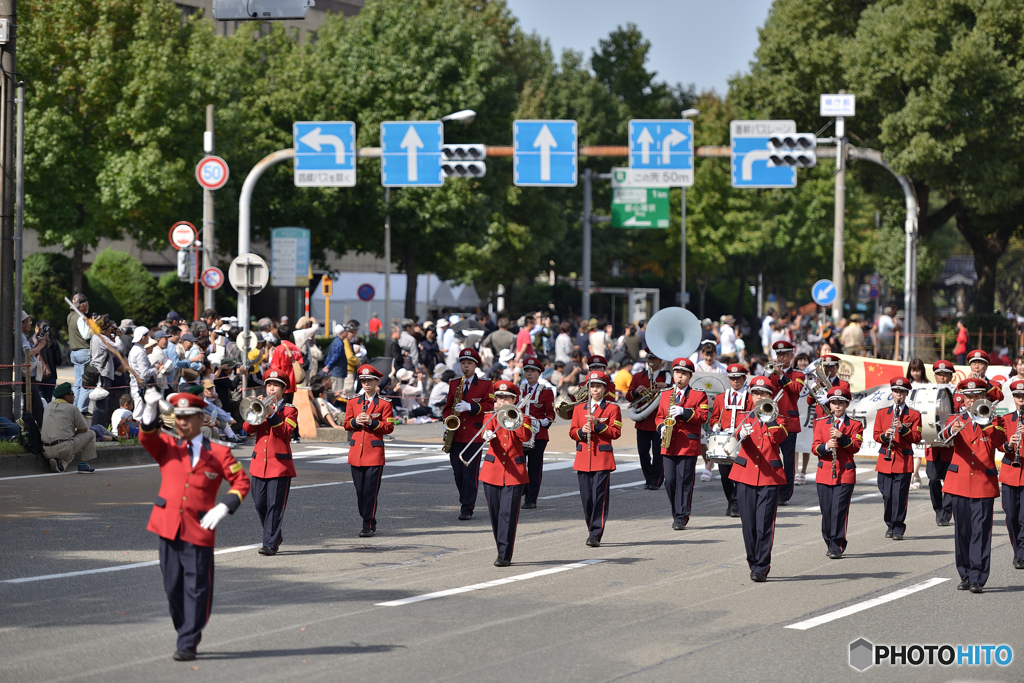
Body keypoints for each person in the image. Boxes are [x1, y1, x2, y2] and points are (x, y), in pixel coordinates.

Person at [137, 388, 250, 661]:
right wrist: (150, 410)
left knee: (197, 587)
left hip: (200, 529)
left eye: (188, 417)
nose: (182, 423)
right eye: (178, 417)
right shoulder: (168, 446)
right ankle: (185, 628)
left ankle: (188, 640)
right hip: (167, 526)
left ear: (202, 418)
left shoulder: (220, 453)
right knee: (172, 586)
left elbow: (241, 482)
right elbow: (146, 437)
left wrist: (225, 506)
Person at [943, 378, 1007, 593]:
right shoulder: (955, 418)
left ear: (983, 397)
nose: (972, 400)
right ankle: (965, 574)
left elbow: (1000, 442)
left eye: (976, 396)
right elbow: (940, 438)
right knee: (963, 532)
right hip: (959, 482)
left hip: (983, 483)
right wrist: (953, 428)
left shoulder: (995, 419)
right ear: (963, 399)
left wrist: (986, 422)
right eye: (969, 397)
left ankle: (978, 577)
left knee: (980, 532)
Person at [727, 375, 788, 582]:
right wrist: (740, 434)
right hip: (745, 476)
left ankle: (761, 566)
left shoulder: (778, 418)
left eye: (763, 394)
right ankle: (752, 561)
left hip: (769, 477)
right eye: (755, 393)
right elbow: (734, 438)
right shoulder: (745, 417)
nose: (758, 397)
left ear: (771, 397)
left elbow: (779, 437)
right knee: (748, 525)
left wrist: (768, 420)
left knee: (764, 524)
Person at [243, 370, 297, 556]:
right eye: (268, 385)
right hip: (259, 463)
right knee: (259, 503)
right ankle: (275, 535)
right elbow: (247, 429)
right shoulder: (261, 405)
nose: (271, 388)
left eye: (276, 385)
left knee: (275, 505)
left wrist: (272, 413)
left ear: (283, 389)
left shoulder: (290, 410)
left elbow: (285, 432)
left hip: (279, 465)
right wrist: (255, 409)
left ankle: (270, 543)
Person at [480, 380, 533, 566]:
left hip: (514, 473)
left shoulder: (524, 418)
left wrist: (514, 418)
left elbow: (525, 437)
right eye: (499, 398)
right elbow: (483, 434)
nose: (502, 401)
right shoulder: (489, 416)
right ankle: (501, 547)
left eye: (506, 398)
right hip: (491, 472)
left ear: (514, 399)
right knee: (495, 515)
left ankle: (504, 555)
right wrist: (485, 435)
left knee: (507, 514)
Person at [656, 358, 709, 530]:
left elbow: (702, 416)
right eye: (678, 373)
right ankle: (676, 512)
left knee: (685, 482)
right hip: (668, 444)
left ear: (690, 376)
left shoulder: (699, 395)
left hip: (687, 445)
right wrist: (662, 428)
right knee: (670, 481)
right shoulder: (665, 394)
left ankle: (681, 516)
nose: (680, 377)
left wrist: (684, 412)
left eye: (684, 374)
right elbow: (658, 417)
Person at [569, 371, 621, 547]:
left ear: (605, 389)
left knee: (599, 497)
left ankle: (595, 534)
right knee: (587, 499)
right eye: (592, 386)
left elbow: (616, 432)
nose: (595, 390)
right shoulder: (578, 408)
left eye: (599, 386)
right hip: (583, 458)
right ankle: (591, 528)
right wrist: (581, 432)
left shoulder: (613, 408)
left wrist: (598, 425)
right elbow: (572, 432)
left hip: (602, 458)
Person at [812, 387, 864, 559]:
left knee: (839, 510)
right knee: (826, 511)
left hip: (845, 474)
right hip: (825, 473)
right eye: (834, 403)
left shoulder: (855, 425)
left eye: (840, 403)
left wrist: (842, 437)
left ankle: (837, 544)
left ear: (846, 404)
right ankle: (829, 541)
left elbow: (855, 447)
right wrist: (826, 446)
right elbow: (815, 448)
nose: (837, 406)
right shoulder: (821, 423)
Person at [344, 364, 395, 537]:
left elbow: (389, 427)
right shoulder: (353, 402)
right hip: (356, 453)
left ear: (376, 381)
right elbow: (346, 424)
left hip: (374, 453)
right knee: (360, 491)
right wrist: (356, 421)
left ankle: (368, 523)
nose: (366, 384)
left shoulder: (384, 403)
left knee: (370, 491)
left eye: (369, 381)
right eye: (363, 381)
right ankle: (366, 516)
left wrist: (373, 422)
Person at [442, 348, 494, 520]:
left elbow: (489, 406)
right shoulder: (454, 383)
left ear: (475, 365)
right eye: (463, 363)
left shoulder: (486, 385)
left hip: (474, 435)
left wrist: (470, 407)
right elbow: (448, 407)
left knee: (470, 472)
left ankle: (467, 507)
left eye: (469, 363)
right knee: (458, 472)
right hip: (456, 435)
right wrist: (446, 421)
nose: (466, 366)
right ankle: (465, 500)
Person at [873, 377, 923, 540]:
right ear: (892, 393)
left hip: (903, 461)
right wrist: (884, 435)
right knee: (887, 495)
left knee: (899, 496)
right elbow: (875, 435)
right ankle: (890, 523)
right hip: (885, 461)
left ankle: (897, 527)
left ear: (906, 394)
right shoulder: (882, 413)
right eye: (896, 392)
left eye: (901, 392)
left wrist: (902, 430)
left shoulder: (914, 415)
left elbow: (916, 437)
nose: (898, 395)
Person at [710, 363, 751, 517]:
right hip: (725, 443)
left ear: (744, 378)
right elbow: (714, 417)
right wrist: (715, 425)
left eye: (738, 378)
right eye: (732, 378)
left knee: (740, 474)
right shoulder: (721, 398)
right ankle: (732, 502)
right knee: (725, 475)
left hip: (743, 441)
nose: (735, 381)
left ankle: (736, 505)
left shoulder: (750, 398)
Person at [627, 349, 670, 490]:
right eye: (649, 358)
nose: (651, 361)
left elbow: (677, 393)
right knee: (643, 452)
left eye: (654, 359)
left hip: (659, 420)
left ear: (660, 361)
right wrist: (635, 392)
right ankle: (648, 477)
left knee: (658, 453)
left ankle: (656, 481)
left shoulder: (667, 377)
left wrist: (667, 387)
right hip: (643, 420)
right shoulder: (638, 376)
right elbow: (628, 396)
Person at [768, 341, 805, 506]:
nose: (781, 358)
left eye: (784, 355)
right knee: (771, 457)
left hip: (789, 422)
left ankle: (785, 494)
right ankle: (772, 489)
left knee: (788, 460)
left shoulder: (799, 374)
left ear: (792, 356)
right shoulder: (771, 373)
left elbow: (796, 389)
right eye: (778, 355)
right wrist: (769, 374)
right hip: (772, 420)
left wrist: (781, 375)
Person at [519, 358, 555, 508]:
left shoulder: (546, 392)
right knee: (519, 466)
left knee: (534, 467)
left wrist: (545, 421)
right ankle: (522, 489)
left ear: (539, 373)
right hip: (520, 433)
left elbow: (551, 414)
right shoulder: (518, 390)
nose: (529, 374)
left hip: (538, 435)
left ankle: (531, 499)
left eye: (533, 371)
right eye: (527, 371)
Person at [41, 382, 98, 473]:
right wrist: (74, 434)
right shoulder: (72, 408)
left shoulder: (48, 406)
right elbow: (84, 429)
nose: (74, 397)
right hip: (63, 448)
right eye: (73, 394)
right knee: (91, 434)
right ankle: (83, 465)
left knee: (69, 447)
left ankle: (60, 465)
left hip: (45, 450)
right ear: (66, 397)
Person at [998, 379, 1024, 570]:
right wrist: (1008, 444)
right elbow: (999, 444)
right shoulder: (1006, 419)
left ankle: (1021, 554)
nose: (1020, 399)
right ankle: (1018, 550)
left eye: (1023, 396)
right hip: (1009, 472)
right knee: (1012, 516)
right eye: (1017, 396)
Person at [926, 360, 956, 526]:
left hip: (951, 447)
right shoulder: (927, 393)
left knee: (950, 481)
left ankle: (945, 513)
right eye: (939, 375)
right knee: (933, 480)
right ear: (935, 376)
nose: (942, 378)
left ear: (951, 377)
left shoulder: (957, 394)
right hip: (934, 447)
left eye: (945, 375)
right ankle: (938, 508)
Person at [67, 293, 93, 409]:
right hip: (84, 351)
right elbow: (86, 335)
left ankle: (75, 408)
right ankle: (81, 410)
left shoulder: (70, 316)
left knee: (77, 383)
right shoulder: (81, 317)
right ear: (82, 305)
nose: (87, 307)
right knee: (86, 384)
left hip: (74, 353)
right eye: (87, 304)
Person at [907, 358, 929, 491]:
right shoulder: (906, 384)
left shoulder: (928, 384)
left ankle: (912, 476)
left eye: (918, 370)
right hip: (908, 421)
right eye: (913, 370)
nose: (915, 373)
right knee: (912, 451)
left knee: (918, 451)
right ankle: (917, 476)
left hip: (923, 420)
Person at [323, 324, 348, 394]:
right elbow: (336, 356)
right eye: (345, 331)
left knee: (333, 392)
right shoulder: (339, 343)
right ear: (341, 332)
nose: (347, 332)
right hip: (337, 372)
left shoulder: (335, 341)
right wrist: (329, 366)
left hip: (334, 372)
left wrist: (327, 365)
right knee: (337, 393)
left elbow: (329, 356)